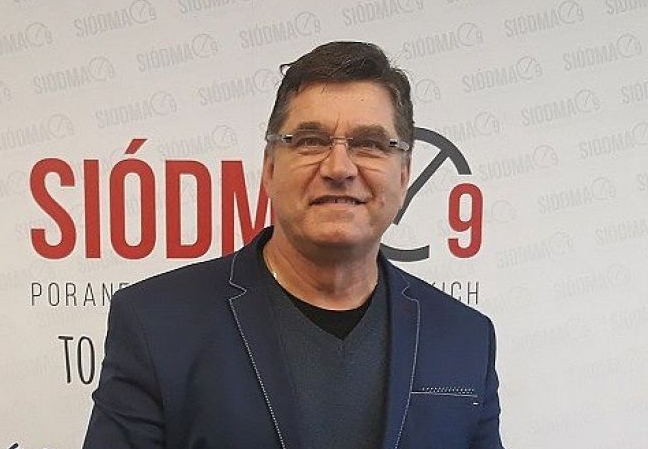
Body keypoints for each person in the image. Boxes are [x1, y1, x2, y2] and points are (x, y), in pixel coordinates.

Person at [83, 41, 503, 449]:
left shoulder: (465, 338)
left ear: (404, 174)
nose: (339, 168)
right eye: (310, 141)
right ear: (269, 168)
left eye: (370, 144)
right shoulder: (157, 323)